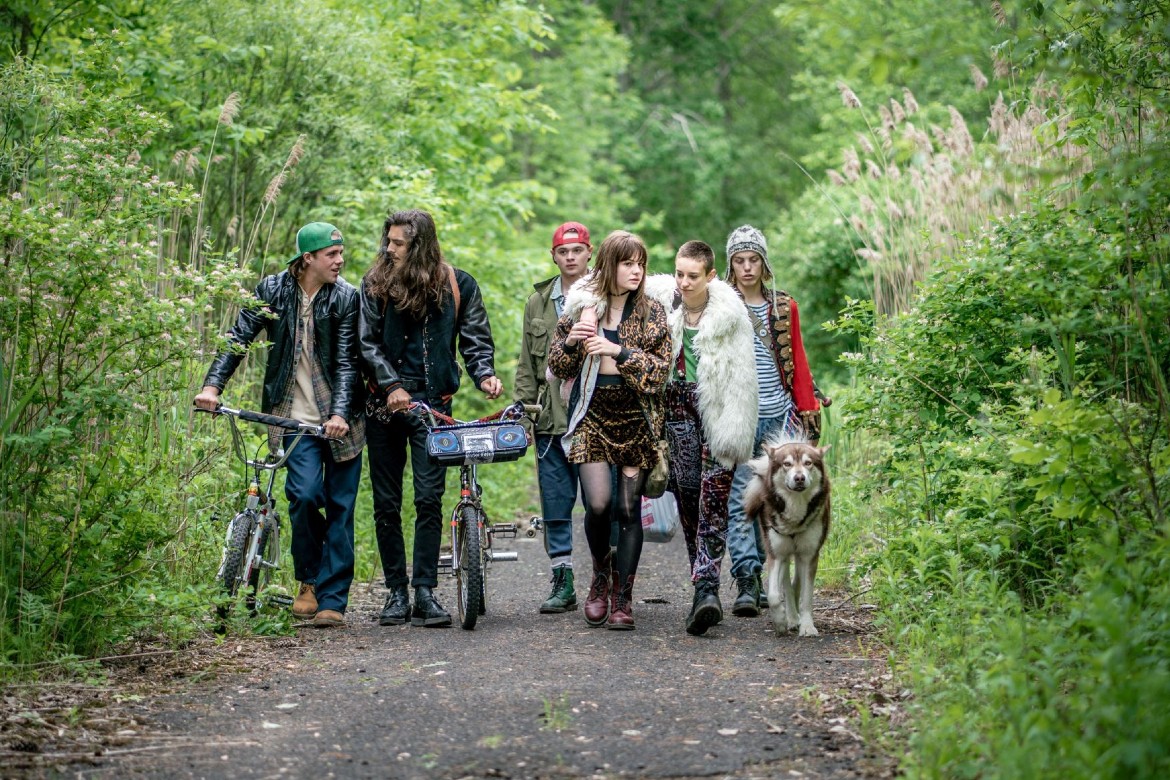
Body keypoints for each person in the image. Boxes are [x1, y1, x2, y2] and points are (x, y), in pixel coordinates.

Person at [195, 222, 366, 629]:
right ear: (308, 258)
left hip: (341, 420)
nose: (340, 261)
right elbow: (238, 339)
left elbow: (347, 363)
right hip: (292, 418)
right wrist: (212, 386)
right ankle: (309, 579)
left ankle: (333, 600)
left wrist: (340, 414)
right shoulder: (272, 291)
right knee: (303, 496)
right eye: (332, 255)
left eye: (341, 253)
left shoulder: (346, 297)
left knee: (340, 508)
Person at [359, 209, 503, 629]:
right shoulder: (374, 284)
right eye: (388, 241)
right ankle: (396, 593)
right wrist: (391, 385)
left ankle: (424, 592)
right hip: (383, 407)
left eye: (398, 243)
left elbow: (475, 339)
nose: (389, 248)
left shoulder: (459, 284)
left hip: (434, 408)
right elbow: (366, 344)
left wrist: (485, 374)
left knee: (428, 499)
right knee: (386, 503)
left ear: (419, 246)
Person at [547, 230, 670, 630]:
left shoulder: (652, 311)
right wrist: (572, 343)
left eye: (641, 264)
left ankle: (623, 597)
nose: (636, 271)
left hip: (636, 418)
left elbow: (659, 373)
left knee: (627, 509)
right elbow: (556, 367)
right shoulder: (583, 306)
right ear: (609, 265)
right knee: (598, 504)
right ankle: (600, 578)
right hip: (592, 415)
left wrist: (619, 351)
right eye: (628, 263)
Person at [644, 240, 757, 636]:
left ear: (711, 275)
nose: (684, 282)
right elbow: (610, 286)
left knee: (714, 501)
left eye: (693, 276)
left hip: (718, 411)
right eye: (679, 273)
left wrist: (735, 432)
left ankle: (707, 589)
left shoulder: (730, 315)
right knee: (690, 499)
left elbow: (744, 379)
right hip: (676, 408)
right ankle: (703, 589)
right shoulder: (662, 301)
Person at [723, 224, 826, 617]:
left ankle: (771, 572)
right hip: (738, 416)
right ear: (731, 264)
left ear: (764, 263)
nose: (747, 267)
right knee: (741, 497)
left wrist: (808, 407)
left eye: (753, 259)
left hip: (779, 414)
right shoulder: (721, 304)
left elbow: (797, 358)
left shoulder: (784, 307)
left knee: (775, 498)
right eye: (739, 260)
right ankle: (747, 577)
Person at [514, 222, 594, 614]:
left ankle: (608, 579)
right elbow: (527, 366)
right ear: (554, 256)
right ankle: (563, 580)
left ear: (590, 253)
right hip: (550, 419)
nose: (571, 257)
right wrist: (523, 416)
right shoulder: (539, 301)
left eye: (577, 250)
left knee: (602, 505)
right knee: (556, 503)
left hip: (596, 419)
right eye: (564, 251)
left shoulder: (605, 294)